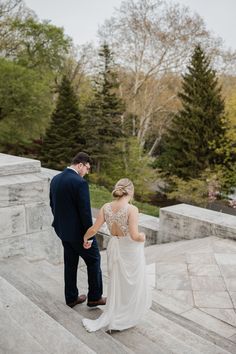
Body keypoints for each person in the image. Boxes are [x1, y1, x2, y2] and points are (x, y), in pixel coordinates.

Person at [82, 178, 151, 332]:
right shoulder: (131, 209)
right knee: (131, 283)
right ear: (131, 191)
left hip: (114, 246)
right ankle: (125, 315)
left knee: (116, 281)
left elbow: (94, 229)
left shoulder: (106, 207)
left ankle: (116, 312)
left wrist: (85, 238)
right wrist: (143, 236)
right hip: (129, 250)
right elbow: (134, 236)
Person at [49, 152, 106, 308]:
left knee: (70, 264)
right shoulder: (79, 183)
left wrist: (62, 225)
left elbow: (52, 205)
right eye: (87, 168)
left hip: (63, 232)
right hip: (79, 235)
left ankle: (71, 297)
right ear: (80, 164)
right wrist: (88, 237)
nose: (87, 172)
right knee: (94, 260)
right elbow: (85, 213)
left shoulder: (55, 179)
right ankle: (94, 297)